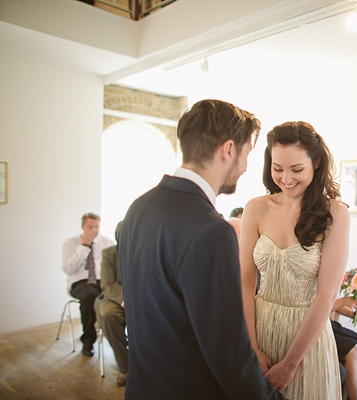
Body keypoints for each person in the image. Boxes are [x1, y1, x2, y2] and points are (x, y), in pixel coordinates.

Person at [118, 99, 286, 400]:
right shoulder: (211, 231)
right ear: (229, 149)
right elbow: (230, 357)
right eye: (248, 153)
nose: (247, 167)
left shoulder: (138, 208)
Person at [240, 121, 350, 399]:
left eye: (296, 169)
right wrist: (251, 346)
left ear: (316, 162)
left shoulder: (335, 214)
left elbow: (326, 295)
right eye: (278, 168)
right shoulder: (256, 208)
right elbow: (244, 283)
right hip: (261, 329)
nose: (286, 178)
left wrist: (290, 365)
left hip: (306, 340)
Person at [62, 212, 114, 357]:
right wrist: (84, 246)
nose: (93, 230)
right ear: (82, 226)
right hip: (79, 283)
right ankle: (88, 340)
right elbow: (68, 269)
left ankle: (116, 336)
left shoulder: (107, 243)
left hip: (101, 280)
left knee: (114, 294)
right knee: (91, 295)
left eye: (96, 227)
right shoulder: (70, 244)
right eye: (90, 226)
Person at [97, 221, 127, 387]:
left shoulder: (144, 252)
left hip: (139, 297)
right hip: (114, 298)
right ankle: (125, 367)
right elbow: (108, 284)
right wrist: (126, 301)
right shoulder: (109, 253)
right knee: (109, 316)